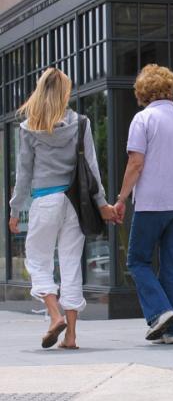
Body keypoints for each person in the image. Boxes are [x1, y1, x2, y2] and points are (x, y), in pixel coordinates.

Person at [9, 68, 116, 349]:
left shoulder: (29, 128)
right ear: (65, 92)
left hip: (45, 201)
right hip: (74, 203)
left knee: (37, 259)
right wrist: (103, 204)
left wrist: (14, 210)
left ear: (40, 91)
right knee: (71, 265)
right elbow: (92, 170)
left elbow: (23, 174)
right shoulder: (81, 123)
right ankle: (70, 337)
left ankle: (55, 315)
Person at [114, 64, 173, 344]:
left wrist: (121, 198)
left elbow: (136, 162)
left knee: (137, 260)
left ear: (143, 91)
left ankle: (160, 312)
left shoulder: (144, 119)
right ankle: (171, 332)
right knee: (172, 266)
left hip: (153, 203)